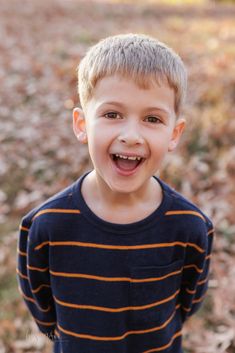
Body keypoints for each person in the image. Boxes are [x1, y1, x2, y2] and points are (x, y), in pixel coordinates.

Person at [17, 33, 214, 353]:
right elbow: (42, 307)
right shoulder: (49, 225)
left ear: (174, 133)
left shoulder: (189, 226)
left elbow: (187, 303)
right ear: (82, 124)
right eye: (112, 115)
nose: (131, 136)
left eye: (152, 119)